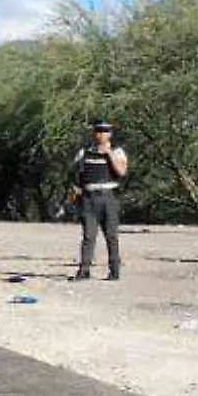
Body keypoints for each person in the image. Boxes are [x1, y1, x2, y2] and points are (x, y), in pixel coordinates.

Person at [70, 120, 128, 281]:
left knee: (111, 235)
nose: (101, 134)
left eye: (105, 131)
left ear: (110, 134)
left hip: (108, 196)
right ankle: (84, 270)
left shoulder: (117, 151)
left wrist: (109, 153)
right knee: (89, 236)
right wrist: (75, 189)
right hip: (88, 198)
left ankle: (114, 270)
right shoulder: (84, 152)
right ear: (94, 133)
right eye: (99, 131)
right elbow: (74, 172)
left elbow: (122, 171)